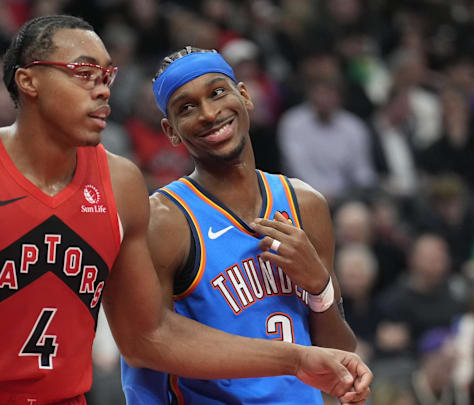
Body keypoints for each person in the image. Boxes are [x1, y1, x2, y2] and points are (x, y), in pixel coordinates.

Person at [0, 16, 372, 405]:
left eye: (106, 74)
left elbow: (147, 334)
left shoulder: (121, 182)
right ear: (28, 82)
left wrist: (297, 356)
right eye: (83, 73)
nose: (103, 87)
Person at [121, 46, 361, 404]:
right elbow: (145, 349)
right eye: (187, 107)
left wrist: (319, 287)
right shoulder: (165, 220)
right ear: (171, 131)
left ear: (244, 96)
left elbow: (339, 355)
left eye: (218, 93)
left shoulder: (305, 204)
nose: (209, 113)